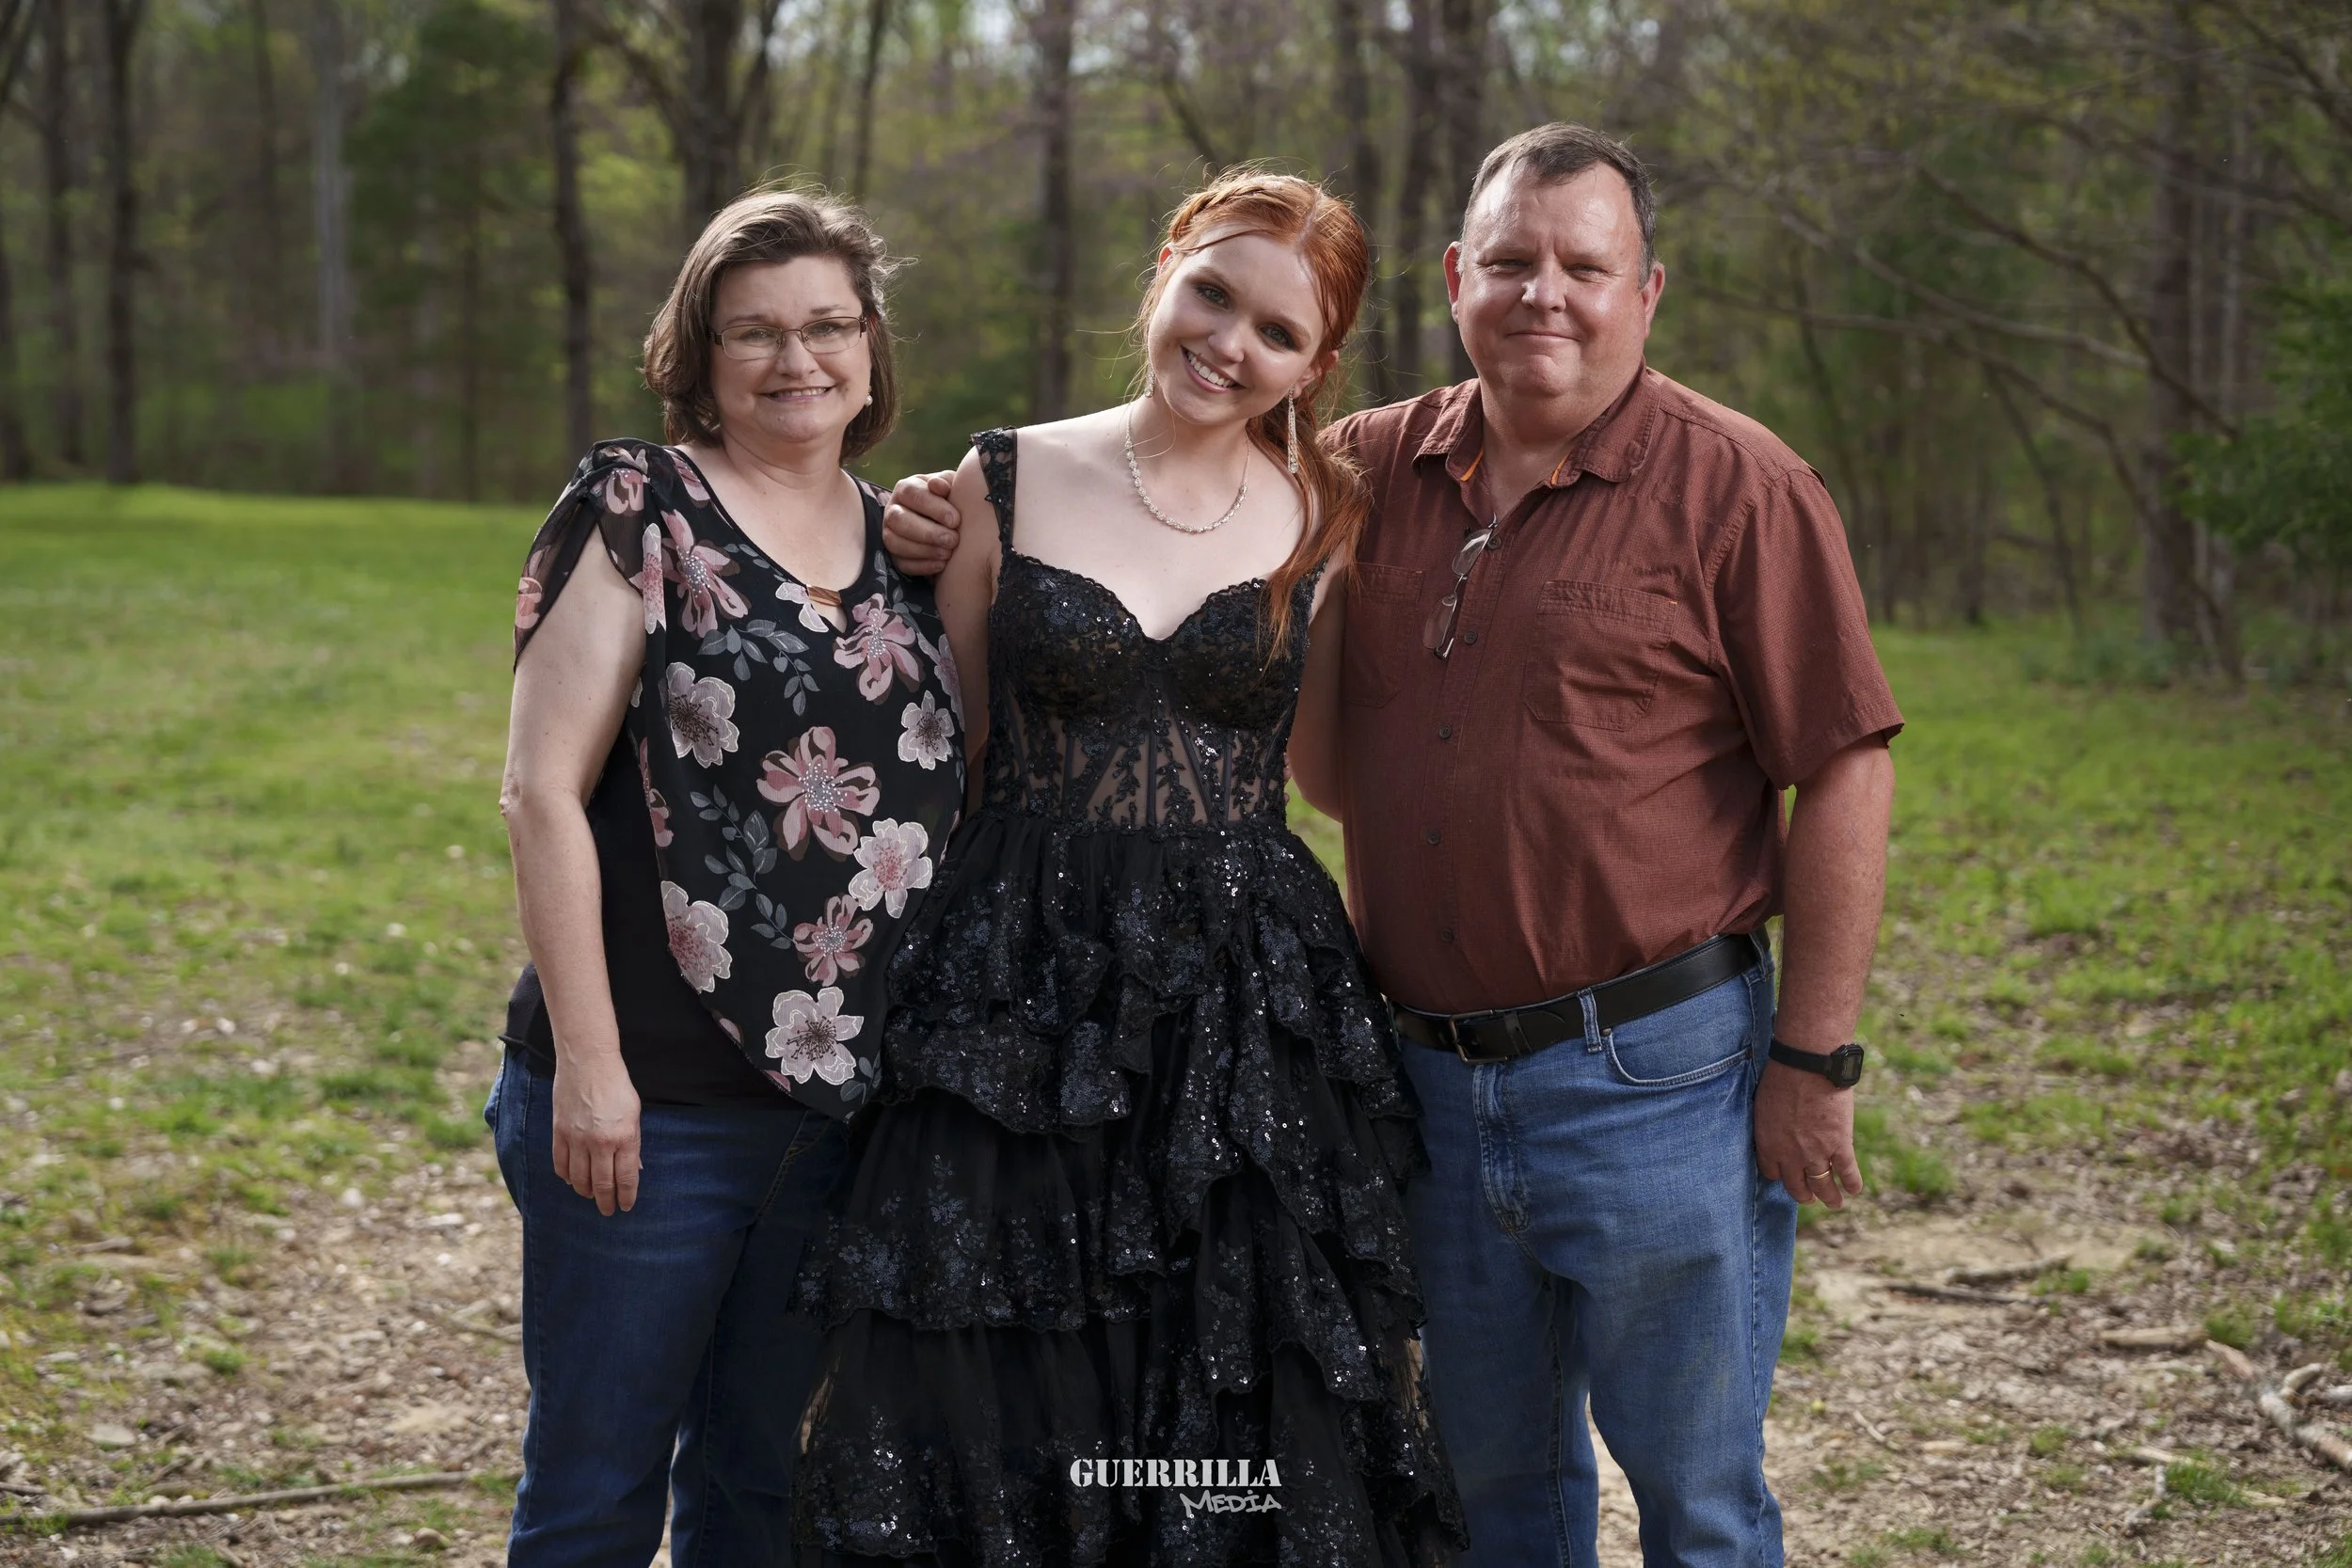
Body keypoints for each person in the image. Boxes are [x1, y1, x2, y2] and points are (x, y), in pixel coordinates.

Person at [887, 125, 1902, 1568]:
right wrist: (940, 510)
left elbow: (1844, 768)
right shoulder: (1369, 472)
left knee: (1698, 1496)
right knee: (1493, 1486)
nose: (1543, 292)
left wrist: (1815, 1056)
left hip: (1653, 1076)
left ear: (1648, 290)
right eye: (1510, 260)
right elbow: (1155, 490)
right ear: (1455, 278)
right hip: (1420, 1073)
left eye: (1583, 265)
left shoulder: (1738, 485)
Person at [788, 171, 1467, 1566]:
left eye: (1279, 332)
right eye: (1214, 291)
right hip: (1018, 985)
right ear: (1166, 271)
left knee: (1225, 1391)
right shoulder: (1002, 475)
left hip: (1243, 999)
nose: (1231, 342)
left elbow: (1326, 770)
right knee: (1003, 1357)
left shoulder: (1329, 514)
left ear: (1315, 366)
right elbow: (963, 750)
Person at [491, 188, 965, 1568]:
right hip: (646, 1109)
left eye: (826, 325)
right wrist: (589, 1066)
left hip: (834, 1115)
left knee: (766, 1494)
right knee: (594, 1490)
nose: (794, 358)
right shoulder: (640, 506)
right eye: (753, 332)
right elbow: (539, 792)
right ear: (697, 353)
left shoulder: (912, 554)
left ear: (872, 350)